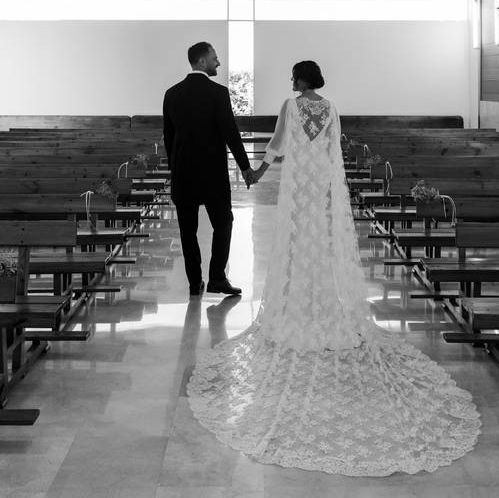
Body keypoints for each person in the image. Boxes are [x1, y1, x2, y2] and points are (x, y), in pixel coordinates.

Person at [186, 60, 480, 476]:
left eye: (294, 75)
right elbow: (333, 150)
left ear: (302, 79)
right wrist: (329, 186)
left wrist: (257, 173)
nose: (291, 81)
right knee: (319, 239)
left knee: (295, 238)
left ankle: (297, 303)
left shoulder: (292, 106)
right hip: (321, 180)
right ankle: (323, 298)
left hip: (297, 183)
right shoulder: (331, 108)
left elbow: (277, 144)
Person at [163, 42, 255, 298]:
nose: (218, 63)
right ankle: (216, 278)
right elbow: (231, 134)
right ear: (202, 62)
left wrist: (175, 170)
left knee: (187, 231)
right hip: (213, 174)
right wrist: (245, 167)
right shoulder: (218, 93)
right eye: (215, 58)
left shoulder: (172, 94)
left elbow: (168, 137)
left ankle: (195, 283)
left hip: (183, 175)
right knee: (224, 223)